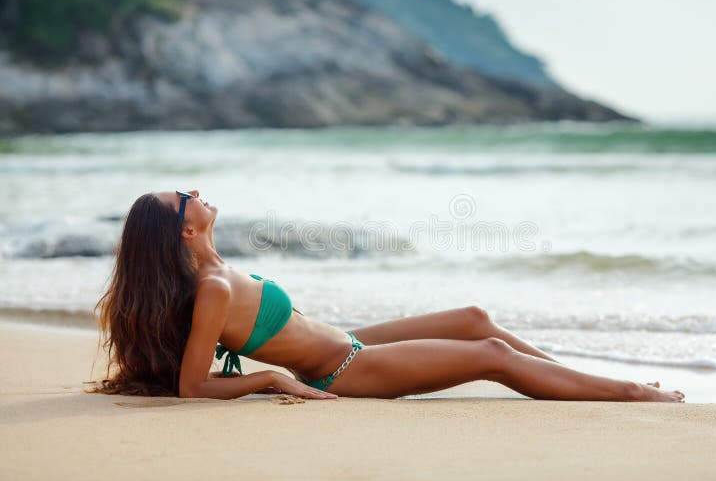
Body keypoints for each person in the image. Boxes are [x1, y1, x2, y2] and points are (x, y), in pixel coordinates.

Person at [89, 189, 685, 403]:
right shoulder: (213, 289)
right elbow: (193, 385)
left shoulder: (217, 271)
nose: (194, 192)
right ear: (185, 230)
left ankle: (576, 381)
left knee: (476, 318)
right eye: (182, 197)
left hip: (348, 342)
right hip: (345, 369)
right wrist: (270, 380)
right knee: (491, 357)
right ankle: (628, 392)